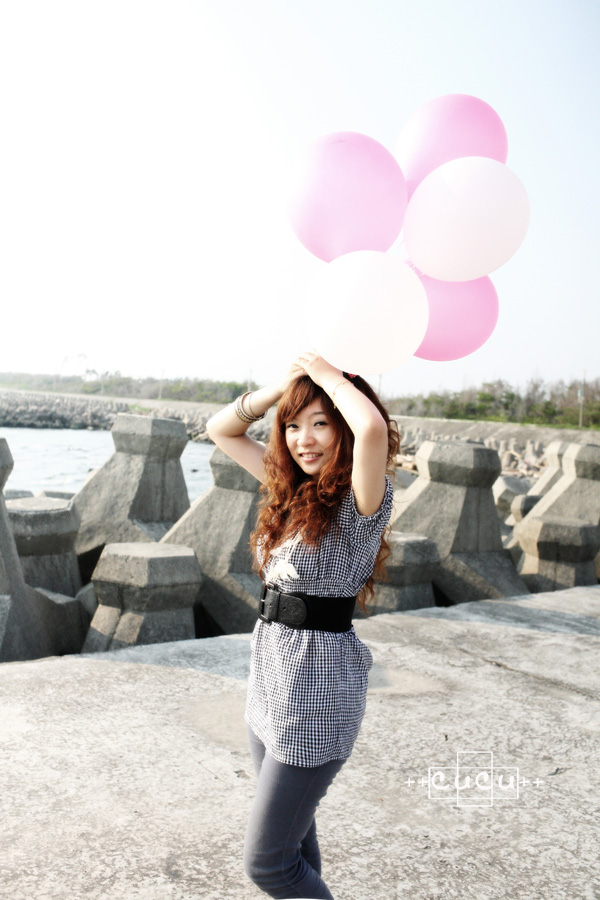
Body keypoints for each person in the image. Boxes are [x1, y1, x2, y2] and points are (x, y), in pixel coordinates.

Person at [206, 351, 399, 900]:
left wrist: (329, 375)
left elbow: (371, 428)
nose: (303, 439)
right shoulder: (292, 491)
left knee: (269, 865)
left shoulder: (359, 502)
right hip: (271, 682)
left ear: (341, 427)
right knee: (295, 849)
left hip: (316, 695)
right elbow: (221, 429)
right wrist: (281, 387)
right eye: (292, 426)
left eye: (319, 424)